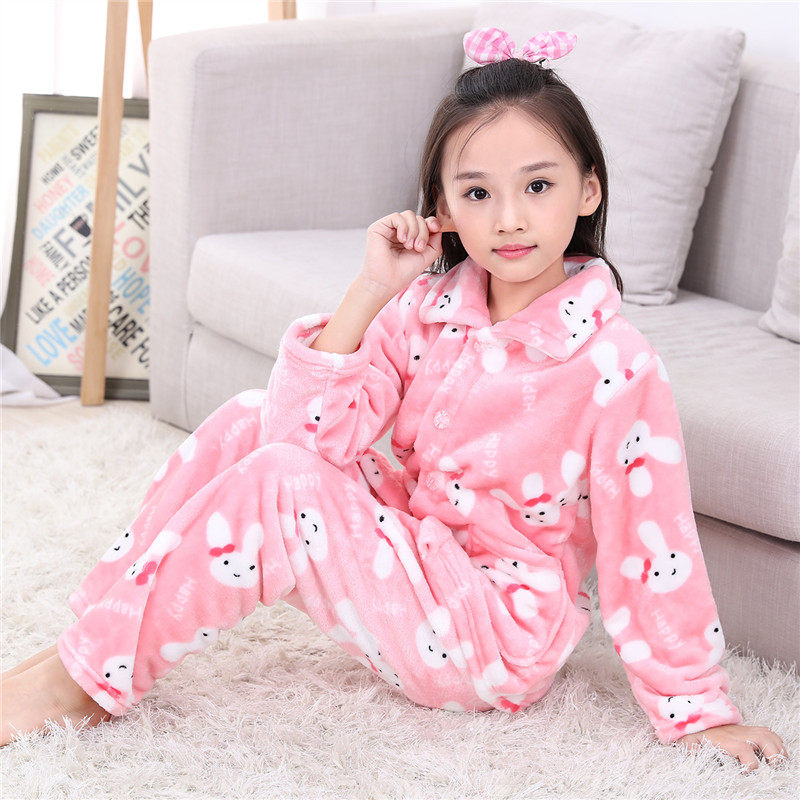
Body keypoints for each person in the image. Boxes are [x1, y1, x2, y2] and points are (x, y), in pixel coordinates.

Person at [1, 26, 789, 773]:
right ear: (442, 209)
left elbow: (651, 549)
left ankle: (84, 681)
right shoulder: (430, 309)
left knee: (283, 482)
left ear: (588, 190)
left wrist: (698, 710)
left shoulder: (615, 365)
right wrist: (372, 289)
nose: (509, 218)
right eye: (477, 193)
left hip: (492, 636)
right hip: (414, 555)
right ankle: (98, 635)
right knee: (248, 419)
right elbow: (297, 433)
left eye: (538, 185)